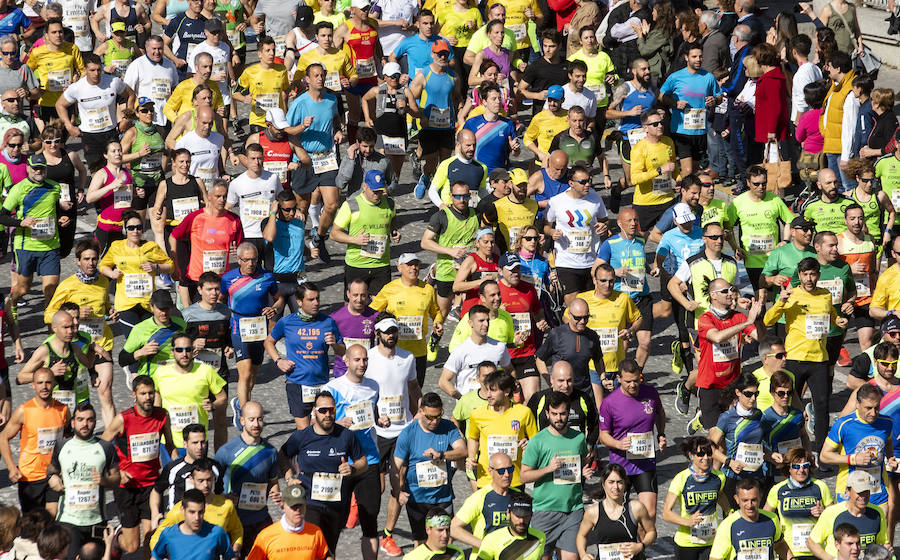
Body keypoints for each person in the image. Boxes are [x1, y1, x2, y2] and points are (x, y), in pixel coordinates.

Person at [764, 257, 849, 458]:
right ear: (799, 275)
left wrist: (841, 321)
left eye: (812, 274)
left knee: (822, 406)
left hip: (819, 359)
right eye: (805, 274)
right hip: (795, 359)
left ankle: (822, 454)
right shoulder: (791, 295)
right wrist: (781, 301)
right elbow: (768, 320)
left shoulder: (826, 295)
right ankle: (786, 450)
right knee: (789, 405)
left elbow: (832, 318)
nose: (809, 278)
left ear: (818, 275)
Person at [278, 391, 367, 553]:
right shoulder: (302, 436)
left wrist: (352, 468)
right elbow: (283, 455)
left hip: (337, 504)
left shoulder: (346, 436)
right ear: (314, 411)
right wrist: (289, 477)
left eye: (331, 410)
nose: (327, 414)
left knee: (328, 551)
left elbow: (363, 463)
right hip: (310, 503)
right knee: (310, 548)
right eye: (322, 410)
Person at [101, 375, 175, 557]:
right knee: (132, 546)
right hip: (127, 487)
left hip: (151, 485)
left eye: (151, 393)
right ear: (134, 394)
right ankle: (118, 538)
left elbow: (170, 445)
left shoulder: (162, 415)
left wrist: (178, 468)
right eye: (143, 393)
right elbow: (101, 447)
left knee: (151, 536)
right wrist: (118, 471)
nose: (148, 397)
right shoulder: (123, 419)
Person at [520, 391, 593, 560]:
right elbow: (524, 476)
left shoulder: (578, 438)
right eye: (554, 414)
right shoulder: (537, 441)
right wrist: (548, 468)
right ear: (547, 414)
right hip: (545, 510)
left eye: (562, 413)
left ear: (569, 413)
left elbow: (577, 464)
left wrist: (582, 472)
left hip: (573, 510)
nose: (558, 418)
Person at [284, 62, 343, 264]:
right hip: (305, 159)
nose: (320, 78)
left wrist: (338, 130)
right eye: (316, 75)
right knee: (302, 209)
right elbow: (287, 131)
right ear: (307, 80)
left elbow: (335, 119)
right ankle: (298, 248)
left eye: (322, 75)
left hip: (326, 157)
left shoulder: (331, 100)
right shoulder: (299, 104)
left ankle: (319, 237)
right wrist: (303, 126)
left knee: (332, 204)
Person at [264, 282, 345, 429]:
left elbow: (342, 351)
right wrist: (278, 361)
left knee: (323, 429)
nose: (316, 303)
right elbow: (268, 342)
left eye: (318, 299)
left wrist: (334, 344)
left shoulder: (328, 322)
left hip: (322, 384)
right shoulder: (287, 322)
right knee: (304, 433)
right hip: (297, 384)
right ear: (299, 302)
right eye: (311, 299)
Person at [0, 153, 72, 315]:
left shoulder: (55, 187)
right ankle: (11, 301)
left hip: (51, 247)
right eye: (35, 168)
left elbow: (56, 210)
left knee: (50, 291)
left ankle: (52, 333)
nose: (39, 171)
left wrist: (62, 218)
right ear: (28, 168)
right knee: (24, 288)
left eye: (42, 168)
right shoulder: (19, 189)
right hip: (27, 246)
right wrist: (21, 223)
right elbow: (2, 216)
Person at [393, 392, 466, 546]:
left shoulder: (448, 427)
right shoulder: (408, 433)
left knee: (446, 538)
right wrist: (398, 490)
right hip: (417, 498)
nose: (434, 421)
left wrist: (442, 454)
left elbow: (463, 450)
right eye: (430, 417)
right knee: (421, 542)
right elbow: (395, 466)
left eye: (438, 416)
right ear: (420, 412)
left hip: (443, 497)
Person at [688, 279, 761, 431]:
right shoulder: (705, 319)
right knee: (716, 437)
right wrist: (747, 322)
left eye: (731, 289)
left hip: (733, 386)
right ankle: (702, 416)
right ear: (713, 295)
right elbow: (717, 337)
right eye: (725, 291)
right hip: (710, 386)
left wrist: (757, 318)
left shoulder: (738, 317)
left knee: (734, 432)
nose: (730, 293)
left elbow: (761, 338)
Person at [220, 242, 279, 426]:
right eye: (247, 260)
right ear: (238, 259)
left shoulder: (267, 277)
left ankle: (240, 403)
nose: (251, 264)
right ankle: (246, 418)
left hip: (258, 326)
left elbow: (279, 297)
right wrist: (224, 336)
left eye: (254, 259)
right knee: (244, 374)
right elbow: (220, 302)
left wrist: (274, 309)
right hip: (238, 326)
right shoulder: (228, 279)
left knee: (253, 375)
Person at [0, 368, 68, 513]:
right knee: (33, 526)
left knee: (52, 519)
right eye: (40, 383)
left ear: (54, 384)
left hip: (54, 475)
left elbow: (69, 438)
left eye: (48, 382)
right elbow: (3, 437)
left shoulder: (63, 410)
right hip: (30, 477)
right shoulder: (24, 411)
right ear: (33, 385)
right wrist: (12, 467)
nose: (44, 387)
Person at [371, 254, 444, 386]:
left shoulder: (428, 289)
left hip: (419, 352)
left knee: (416, 393)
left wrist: (437, 323)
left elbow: (436, 312)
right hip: (394, 350)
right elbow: (372, 313)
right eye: (409, 265)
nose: (414, 268)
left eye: (416, 264)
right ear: (399, 268)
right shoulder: (389, 289)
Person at [821, 383, 895, 510]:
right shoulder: (844, 424)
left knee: (879, 529)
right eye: (868, 408)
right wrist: (853, 459)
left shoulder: (886, 422)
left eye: (877, 408)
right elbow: (824, 456)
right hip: (849, 493)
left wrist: (890, 458)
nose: (873, 413)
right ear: (857, 404)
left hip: (878, 492)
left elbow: (887, 442)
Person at [169, 181, 243, 306]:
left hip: (220, 279)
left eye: (225, 196)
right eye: (218, 196)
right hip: (197, 279)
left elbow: (242, 247)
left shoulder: (233, 219)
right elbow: (173, 236)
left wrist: (238, 253)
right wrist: (175, 265)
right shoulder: (196, 217)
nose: (222, 200)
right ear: (209, 196)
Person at [99, 211, 174, 334]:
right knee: (134, 339)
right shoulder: (117, 246)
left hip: (147, 303)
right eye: (131, 228)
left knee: (148, 340)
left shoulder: (151, 246)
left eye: (139, 228)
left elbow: (170, 266)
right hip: (126, 304)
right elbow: (103, 265)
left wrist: (156, 267)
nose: (135, 231)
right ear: (125, 230)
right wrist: (112, 274)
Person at [725, 165, 795, 296]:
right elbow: (727, 227)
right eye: (756, 184)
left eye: (764, 183)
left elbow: (789, 221)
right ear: (748, 183)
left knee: (776, 297)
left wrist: (785, 240)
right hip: (752, 260)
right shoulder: (738, 202)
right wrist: (735, 247)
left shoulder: (775, 199)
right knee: (759, 297)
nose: (761, 187)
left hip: (774, 259)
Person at [545, 165, 609, 305]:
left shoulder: (595, 198)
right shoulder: (557, 201)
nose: (587, 185)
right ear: (571, 183)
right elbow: (546, 226)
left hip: (591, 261)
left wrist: (604, 227)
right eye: (583, 182)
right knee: (573, 304)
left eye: (589, 180)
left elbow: (605, 220)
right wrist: (552, 233)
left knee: (592, 304)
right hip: (566, 262)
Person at [149, 459, 242, 554]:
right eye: (200, 480)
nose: (205, 485)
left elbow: (237, 530)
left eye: (209, 480)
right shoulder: (181, 510)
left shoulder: (226, 505)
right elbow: (156, 537)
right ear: (191, 479)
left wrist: (235, 551)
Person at [56, 53, 133, 167]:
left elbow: (131, 95)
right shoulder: (77, 88)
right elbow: (60, 105)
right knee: (96, 171)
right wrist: (69, 126)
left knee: (115, 167)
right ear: (85, 70)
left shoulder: (113, 82)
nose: (96, 74)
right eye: (92, 70)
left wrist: (126, 119)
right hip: (89, 135)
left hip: (110, 132)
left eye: (98, 70)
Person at [331, 169, 400, 295]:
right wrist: (354, 240)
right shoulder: (351, 205)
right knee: (353, 306)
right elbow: (334, 233)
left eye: (380, 191)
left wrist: (394, 230)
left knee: (380, 308)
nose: (377, 195)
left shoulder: (389, 203)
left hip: (381, 265)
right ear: (364, 186)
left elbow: (393, 217)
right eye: (374, 191)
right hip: (357, 264)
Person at [662, 436, 728, 557]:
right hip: (686, 543)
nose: (706, 458)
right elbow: (666, 513)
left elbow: (720, 494)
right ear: (691, 455)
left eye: (709, 454)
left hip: (711, 541)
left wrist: (730, 511)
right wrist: (687, 522)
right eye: (700, 454)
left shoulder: (719, 477)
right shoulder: (681, 478)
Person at [421, 181, 479, 318]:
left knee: (469, 315)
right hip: (447, 272)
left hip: (468, 273)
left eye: (465, 196)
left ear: (470, 196)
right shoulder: (441, 216)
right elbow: (425, 242)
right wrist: (450, 251)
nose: (462, 200)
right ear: (451, 196)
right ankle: (434, 340)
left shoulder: (475, 214)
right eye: (458, 196)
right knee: (441, 316)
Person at [763, 447, 833, 560]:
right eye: (796, 466)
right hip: (790, 552)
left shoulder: (820, 486)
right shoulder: (778, 489)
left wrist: (823, 513)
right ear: (788, 468)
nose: (801, 470)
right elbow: (765, 518)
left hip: (815, 550)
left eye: (805, 465)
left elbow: (834, 517)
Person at [575, 464, 656, 560]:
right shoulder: (593, 512)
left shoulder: (636, 507)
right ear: (603, 484)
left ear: (625, 484)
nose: (616, 487)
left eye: (619, 482)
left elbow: (652, 532)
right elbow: (581, 535)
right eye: (611, 482)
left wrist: (641, 546)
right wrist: (583, 554)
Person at [807, 470, 889, 558]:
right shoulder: (832, 513)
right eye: (859, 492)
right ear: (848, 491)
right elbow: (811, 542)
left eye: (866, 491)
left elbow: (882, 543)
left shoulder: (877, 513)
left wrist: (886, 550)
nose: (863, 496)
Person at [535, 298, 604, 401]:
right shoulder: (557, 334)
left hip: (584, 392)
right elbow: (540, 359)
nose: (583, 321)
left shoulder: (592, 335)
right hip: (561, 392)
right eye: (578, 318)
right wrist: (550, 382)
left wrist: (603, 378)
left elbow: (598, 359)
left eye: (586, 317)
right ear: (569, 314)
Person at [439, 305, 513, 400]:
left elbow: (510, 370)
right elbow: (443, 381)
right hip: (470, 408)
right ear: (471, 323)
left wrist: (510, 394)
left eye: (487, 320)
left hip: (493, 406)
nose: (486, 324)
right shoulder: (460, 350)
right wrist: (462, 400)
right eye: (481, 321)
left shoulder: (499, 347)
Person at [244, 483, 331, 560]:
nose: (298, 510)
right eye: (293, 506)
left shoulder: (315, 532)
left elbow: (326, 556)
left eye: (301, 505)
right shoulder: (266, 536)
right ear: (283, 506)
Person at [26, 18, 85, 128]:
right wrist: (36, 89)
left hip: (67, 100)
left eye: (60, 31)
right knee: (51, 139)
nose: (58, 35)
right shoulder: (37, 53)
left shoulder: (72, 48)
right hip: (47, 102)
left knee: (63, 140)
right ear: (46, 36)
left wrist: (75, 86)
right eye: (54, 32)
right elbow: (26, 72)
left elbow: (83, 71)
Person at [709, 479, 788, 560]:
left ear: (760, 497)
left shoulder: (772, 519)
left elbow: (779, 545)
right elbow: (715, 558)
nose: (749, 505)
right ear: (737, 499)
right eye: (745, 500)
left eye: (753, 500)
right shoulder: (728, 525)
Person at [225, 144, 281, 254]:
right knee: (251, 270)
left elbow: (281, 199)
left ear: (263, 159)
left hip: (269, 233)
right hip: (248, 234)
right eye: (253, 158)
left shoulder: (273, 178)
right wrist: (232, 235)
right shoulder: (237, 183)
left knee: (271, 270)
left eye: (259, 158)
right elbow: (228, 208)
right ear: (246, 159)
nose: (256, 162)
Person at [451, 450, 512, 550]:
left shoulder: (517, 495)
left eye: (510, 469)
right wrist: (485, 546)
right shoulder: (479, 497)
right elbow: (453, 528)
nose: (507, 474)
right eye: (501, 471)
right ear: (491, 471)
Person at [119, 290, 186, 380]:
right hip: (151, 382)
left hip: (177, 379)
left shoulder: (182, 324)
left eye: (167, 308)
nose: (164, 313)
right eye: (160, 309)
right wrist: (140, 352)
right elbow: (122, 360)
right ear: (151, 307)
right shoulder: (140, 329)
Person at [630, 109, 678, 233]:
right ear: (645, 128)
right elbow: (635, 179)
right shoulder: (639, 149)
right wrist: (659, 170)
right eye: (655, 124)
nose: (660, 126)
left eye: (661, 123)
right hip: (646, 203)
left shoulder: (668, 142)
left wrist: (679, 180)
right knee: (640, 241)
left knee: (669, 238)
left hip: (667, 199)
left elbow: (674, 167)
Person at [150, 489, 234, 560]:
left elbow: (230, 557)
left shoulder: (216, 533)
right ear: (182, 510)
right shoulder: (168, 535)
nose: (197, 517)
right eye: (192, 512)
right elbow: (155, 557)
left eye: (200, 512)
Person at [262, 193, 308, 312]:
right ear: (278, 208)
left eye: (294, 208)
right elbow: (269, 237)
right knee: (274, 324)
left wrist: (309, 251)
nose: (291, 213)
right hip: (276, 282)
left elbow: (297, 245)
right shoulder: (268, 223)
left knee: (300, 322)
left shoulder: (299, 223)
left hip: (297, 280)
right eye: (287, 210)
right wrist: (272, 213)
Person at [818, 52, 856, 191]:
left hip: (842, 151)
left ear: (838, 69)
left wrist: (846, 156)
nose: (827, 69)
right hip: (832, 145)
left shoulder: (849, 91)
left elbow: (849, 126)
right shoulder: (837, 85)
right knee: (835, 187)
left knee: (847, 187)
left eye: (830, 66)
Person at [123, 36, 180, 128]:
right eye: (154, 49)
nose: (157, 52)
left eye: (160, 49)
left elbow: (174, 88)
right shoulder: (137, 65)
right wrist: (130, 116)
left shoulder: (170, 65)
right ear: (147, 48)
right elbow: (128, 92)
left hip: (165, 118)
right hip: (145, 119)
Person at [476, 492, 546, 560]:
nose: (521, 521)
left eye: (526, 516)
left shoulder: (540, 536)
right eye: (517, 516)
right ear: (508, 513)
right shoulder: (491, 539)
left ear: (531, 515)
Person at [173, 106, 227, 185]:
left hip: (213, 189)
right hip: (194, 187)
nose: (207, 127)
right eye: (204, 123)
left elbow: (217, 158)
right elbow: (175, 165)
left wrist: (222, 173)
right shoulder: (184, 141)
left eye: (210, 123)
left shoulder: (219, 138)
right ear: (196, 120)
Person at [336, 127, 393, 196]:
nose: (368, 150)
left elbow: (392, 182)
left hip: (377, 203)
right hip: (354, 203)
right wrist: (351, 160)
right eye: (365, 146)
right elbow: (340, 184)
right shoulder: (349, 159)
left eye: (371, 146)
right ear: (357, 143)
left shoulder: (383, 161)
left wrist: (388, 190)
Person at [523, 85, 567, 168]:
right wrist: (539, 153)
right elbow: (527, 139)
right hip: (544, 163)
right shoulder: (539, 118)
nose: (552, 104)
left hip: (564, 163)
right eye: (550, 100)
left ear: (562, 100)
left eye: (555, 101)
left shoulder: (569, 117)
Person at [802, 168, 853, 235]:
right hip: (822, 243)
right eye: (828, 183)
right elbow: (804, 230)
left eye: (835, 182)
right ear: (819, 185)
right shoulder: (811, 206)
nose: (833, 186)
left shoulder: (849, 203)